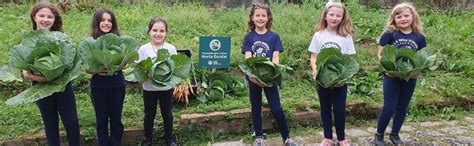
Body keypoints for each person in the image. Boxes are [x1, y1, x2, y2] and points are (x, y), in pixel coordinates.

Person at [22, 2, 80, 146]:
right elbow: (24, 68)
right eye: (41, 15)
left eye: (50, 17)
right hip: (40, 87)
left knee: (71, 122)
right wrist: (31, 76)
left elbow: (71, 63)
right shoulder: (28, 40)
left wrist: (58, 73)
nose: (45, 19)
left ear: (54, 20)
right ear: (34, 17)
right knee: (50, 123)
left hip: (62, 85)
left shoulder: (61, 38)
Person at [241, 3, 298, 146]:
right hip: (253, 78)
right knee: (256, 106)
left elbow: (276, 58)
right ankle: (259, 137)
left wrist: (272, 74)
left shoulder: (274, 37)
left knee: (277, 108)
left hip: (270, 79)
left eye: (263, 15)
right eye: (257, 15)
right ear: (252, 18)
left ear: (268, 18)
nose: (260, 18)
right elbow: (248, 59)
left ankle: (286, 138)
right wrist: (253, 77)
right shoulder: (249, 37)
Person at [374, 2, 426, 146]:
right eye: (399, 16)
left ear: (413, 17)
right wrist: (389, 69)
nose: (403, 19)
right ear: (394, 19)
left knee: (403, 107)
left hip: (410, 77)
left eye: (406, 16)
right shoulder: (389, 34)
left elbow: (422, 58)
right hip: (392, 76)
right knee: (389, 107)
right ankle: (379, 135)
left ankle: (395, 134)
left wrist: (417, 72)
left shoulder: (419, 37)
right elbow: (381, 54)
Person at [307, 2, 355, 146]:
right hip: (322, 80)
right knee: (325, 108)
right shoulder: (319, 35)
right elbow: (314, 57)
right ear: (325, 16)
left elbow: (349, 60)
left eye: (338, 15)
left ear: (343, 18)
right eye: (332, 14)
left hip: (340, 81)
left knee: (340, 110)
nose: (335, 18)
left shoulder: (346, 37)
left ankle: (341, 138)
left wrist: (344, 77)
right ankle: (327, 137)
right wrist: (316, 71)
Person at [87, 8, 125, 146]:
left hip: (117, 84)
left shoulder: (120, 41)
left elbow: (126, 62)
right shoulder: (90, 42)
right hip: (99, 85)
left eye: (109, 20)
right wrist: (98, 69)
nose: (106, 23)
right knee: (101, 120)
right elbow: (86, 68)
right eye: (103, 20)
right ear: (97, 22)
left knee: (116, 119)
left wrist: (116, 67)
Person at [137, 16, 177, 146]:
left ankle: (169, 138)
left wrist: (164, 77)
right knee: (149, 115)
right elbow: (138, 69)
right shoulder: (143, 49)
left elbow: (175, 68)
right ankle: (147, 140)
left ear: (166, 33)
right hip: (149, 88)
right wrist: (148, 75)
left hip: (166, 88)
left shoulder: (171, 48)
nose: (158, 34)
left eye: (162, 31)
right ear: (149, 32)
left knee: (168, 114)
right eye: (155, 30)